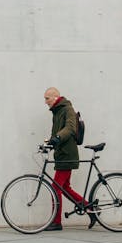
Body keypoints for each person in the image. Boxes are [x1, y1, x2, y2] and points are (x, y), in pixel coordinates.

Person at [43, 86, 96, 230]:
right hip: (62, 154)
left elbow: (70, 128)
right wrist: (50, 143)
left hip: (67, 155)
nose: (45, 102)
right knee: (64, 187)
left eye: (47, 98)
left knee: (55, 188)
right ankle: (89, 208)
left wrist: (57, 138)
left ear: (55, 97)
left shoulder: (67, 109)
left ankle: (56, 222)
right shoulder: (57, 111)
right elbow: (58, 132)